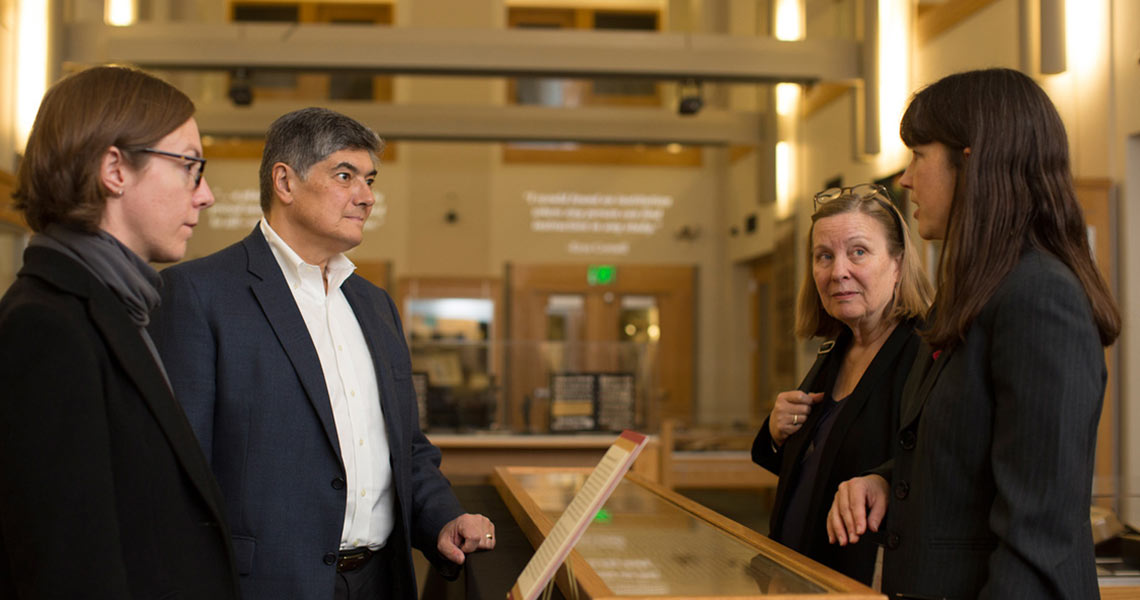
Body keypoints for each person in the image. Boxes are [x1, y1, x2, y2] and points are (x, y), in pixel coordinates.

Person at [149, 107, 494, 600]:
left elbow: (407, 448)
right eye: (345, 175)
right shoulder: (197, 295)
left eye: (370, 179)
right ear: (285, 182)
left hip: (382, 582)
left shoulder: (375, 306)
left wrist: (444, 518)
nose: (367, 196)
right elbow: (178, 481)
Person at [826, 68, 1121, 599]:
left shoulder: (1039, 297)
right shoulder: (977, 292)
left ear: (971, 159)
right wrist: (888, 481)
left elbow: (1039, 531)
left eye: (918, 154)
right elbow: (968, 456)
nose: (906, 178)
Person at [0, 66, 238, 598]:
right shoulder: (47, 327)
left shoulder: (121, 309)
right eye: (190, 166)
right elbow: (68, 565)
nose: (206, 196)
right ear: (114, 169)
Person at [751, 183, 932, 585]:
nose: (838, 272)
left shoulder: (925, 352)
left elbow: (939, 466)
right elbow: (819, 467)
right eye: (824, 256)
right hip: (797, 576)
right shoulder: (834, 350)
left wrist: (883, 479)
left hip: (867, 582)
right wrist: (777, 433)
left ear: (898, 264)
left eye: (859, 252)